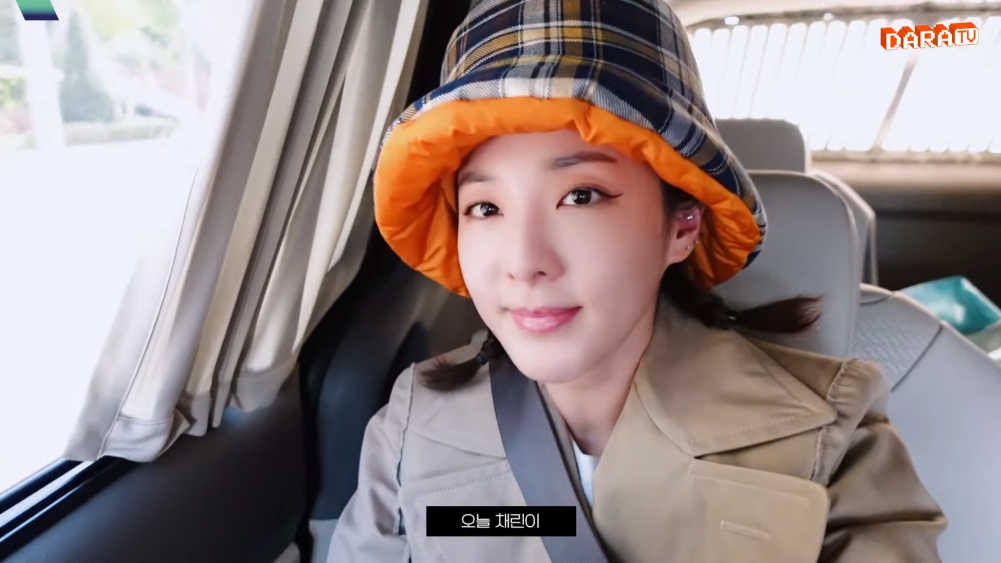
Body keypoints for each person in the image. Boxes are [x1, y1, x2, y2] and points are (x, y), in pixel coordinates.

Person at [328, 0, 946, 561]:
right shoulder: (412, 424)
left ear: (681, 225)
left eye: (581, 195)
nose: (523, 261)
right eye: (485, 207)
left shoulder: (828, 435)